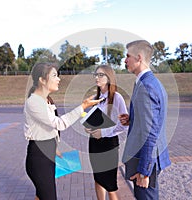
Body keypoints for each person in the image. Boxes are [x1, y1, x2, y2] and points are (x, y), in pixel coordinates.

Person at [24, 62, 103, 200]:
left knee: (41, 195)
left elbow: (48, 129)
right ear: (42, 80)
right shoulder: (34, 102)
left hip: (47, 154)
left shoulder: (46, 101)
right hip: (39, 159)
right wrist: (83, 106)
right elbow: (59, 124)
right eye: (54, 76)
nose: (58, 79)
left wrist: (55, 148)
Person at [119, 40, 171, 200]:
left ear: (139, 58)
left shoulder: (146, 87)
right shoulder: (149, 82)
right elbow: (152, 121)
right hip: (150, 156)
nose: (125, 60)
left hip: (146, 159)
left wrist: (144, 171)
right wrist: (133, 119)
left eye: (128, 56)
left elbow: (151, 133)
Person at [85, 65, 128, 200]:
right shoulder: (96, 98)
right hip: (94, 143)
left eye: (101, 75)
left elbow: (124, 125)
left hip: (109, 144)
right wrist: (89, 128)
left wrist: (102, 133)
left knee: (110, 184)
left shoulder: (117, 97)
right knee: (98, 179)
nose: (97, 78)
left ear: (109, 78)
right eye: (96, 75)